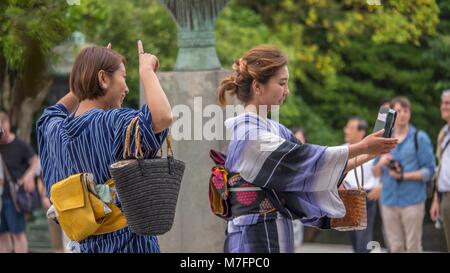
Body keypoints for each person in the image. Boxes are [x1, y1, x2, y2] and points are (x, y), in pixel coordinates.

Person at [217, 45, 398, 253]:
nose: (287, 91)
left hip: (274, 226)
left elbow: (310, 165)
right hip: (252, 231)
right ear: (257, 87)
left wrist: (369, 153)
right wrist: (363, 146)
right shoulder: (248, 134)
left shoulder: (275, 129)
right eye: (282, 83)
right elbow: (304, 158)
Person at [36, 41, 172, 253]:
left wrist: (86, 76)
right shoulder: (112, 123)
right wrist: (147, 71)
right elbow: (163, 116)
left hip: (83, 246)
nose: (126, 88)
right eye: (123, 77)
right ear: (103, 78)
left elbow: (51, 113)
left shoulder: (53, 130)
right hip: (129, 245)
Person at [373, 96, 435, 253]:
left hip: (412, 200)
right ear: (392, 114)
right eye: (398, 111)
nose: (402, 114)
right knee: (395, 247)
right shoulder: (384, 138)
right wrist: (381, 162)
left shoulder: (419, 138)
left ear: (410, 113)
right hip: (388, 200)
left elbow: (430, 171)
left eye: (406, 111)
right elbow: (374, 172)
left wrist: (403, 176)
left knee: (413, 247)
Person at [0, 112, 40, 253]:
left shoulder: (20, 144)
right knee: (2, 235)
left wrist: (28, 176)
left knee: (18, 234)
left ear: (8, 123)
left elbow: (36, 161)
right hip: (0, 197)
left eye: (3, 124)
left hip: (14, 197)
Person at [342, 116, 380, 253]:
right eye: (347, 127)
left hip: (366, 197)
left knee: (363, 241)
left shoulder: (373, 150)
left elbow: (382, 169)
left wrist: (380, 185)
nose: (346, 130)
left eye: (350, 128)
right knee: (353, 239)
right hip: (347, 198)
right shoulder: (341, 150)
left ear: (361, 132)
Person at [430, 90, 450, 252]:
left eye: (448, 103)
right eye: (443, 103)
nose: (444, 106)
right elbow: (440, 167)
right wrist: (436, 199)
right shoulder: (443, 133)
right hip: (445, 197)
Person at [291, 127, 308, 251]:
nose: (299, 143)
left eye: (301, 140)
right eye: (296, 139)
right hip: (284, 206)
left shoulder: (308, 160)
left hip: (299, 208)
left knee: (295, 243)